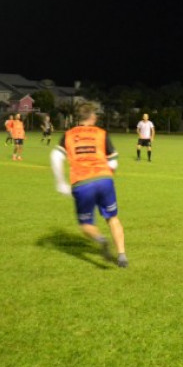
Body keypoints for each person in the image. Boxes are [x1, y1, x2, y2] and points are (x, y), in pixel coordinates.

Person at [50, 103, 128, 267]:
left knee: (86, 224)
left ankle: (101, 239)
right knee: (113, 218)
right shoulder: (101, 133)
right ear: (93, 116)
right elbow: (113, 160)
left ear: (78, 118)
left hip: (82, 182)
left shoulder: (69, 135)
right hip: (104, 179)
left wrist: (61, 182)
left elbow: (56, 156)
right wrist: (108, 174)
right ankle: (122, 256)